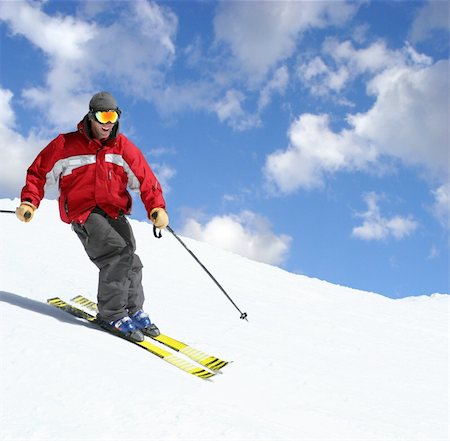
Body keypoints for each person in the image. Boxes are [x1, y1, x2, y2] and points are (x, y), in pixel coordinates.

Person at [16, 91, 169, 342]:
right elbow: (38, 173)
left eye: (113, 116)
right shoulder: (65, 145)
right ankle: (112, 313)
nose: (107, 123)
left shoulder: (123, 148)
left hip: (113, 211)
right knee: (116, 254)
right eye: (102, 116)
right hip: (83, 211)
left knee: (131, 256)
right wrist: (29, 202)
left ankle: (133, 309)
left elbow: (145, 180)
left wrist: (156, 207)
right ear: (91, 115)